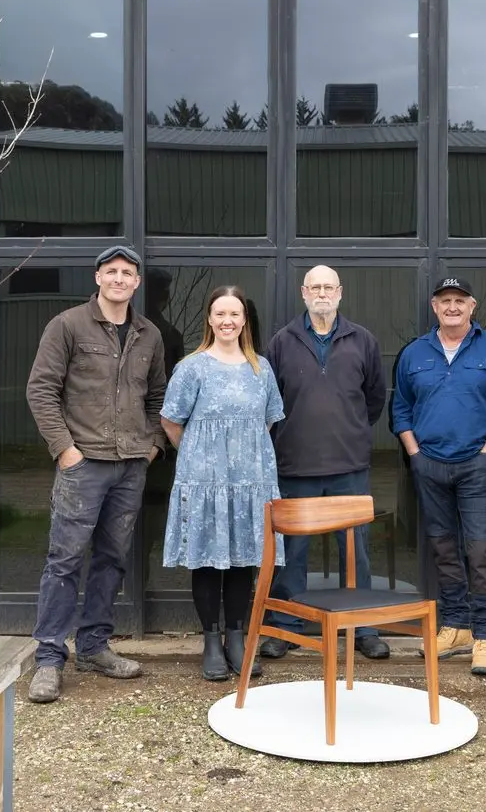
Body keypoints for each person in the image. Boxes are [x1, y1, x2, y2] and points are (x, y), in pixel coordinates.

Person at [25, 244, 168, 704]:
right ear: (98, 277)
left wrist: (152, 448)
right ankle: (49, 658)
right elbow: (41, 389)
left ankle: (93, 647)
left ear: (137, 282)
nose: (120, 279)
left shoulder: (149, 335)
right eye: (112, 272)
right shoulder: (68, 325)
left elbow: (157, 397)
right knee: (64, 560)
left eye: (128, 273)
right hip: (83, 465)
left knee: (112, 560)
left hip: (130, 466)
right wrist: (65, 450)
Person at [391, 277, 486, 676]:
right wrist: (415, 454)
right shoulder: (415, 353)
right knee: (443, 548)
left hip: (477, 465)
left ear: (472, 307)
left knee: (481, 549)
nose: (452, 307)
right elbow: (400, 408)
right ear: (435, 307)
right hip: (429, 464)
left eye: (459, 301)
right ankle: (455, 626)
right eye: (445, 300)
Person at [259, 265, 391, 661]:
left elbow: (374, 399)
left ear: (340, 292)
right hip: (295, 466)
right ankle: (285, 628)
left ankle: (362, 627)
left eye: (328, 287)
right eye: (314, 287)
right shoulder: (282, 342)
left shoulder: (362, 340)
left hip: (348, 466)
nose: (321, 293)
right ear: (303, 293)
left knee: (356, 552)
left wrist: (346, 429)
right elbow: (271, 403)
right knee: (291, 554)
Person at [160, 285, 285, 682]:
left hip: (250, 481)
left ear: (244, 320)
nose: (228, 320)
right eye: (220, 314)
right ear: (210, 320)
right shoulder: (191, 367)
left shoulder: (260, 368)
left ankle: (237, 637)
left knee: (243, 559)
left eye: (235, 313)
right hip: (205, 482)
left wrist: (241, 455)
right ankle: (211, 640)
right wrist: (201, 456)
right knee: (208, 561)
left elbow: (267, 419)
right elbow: (171, 421)